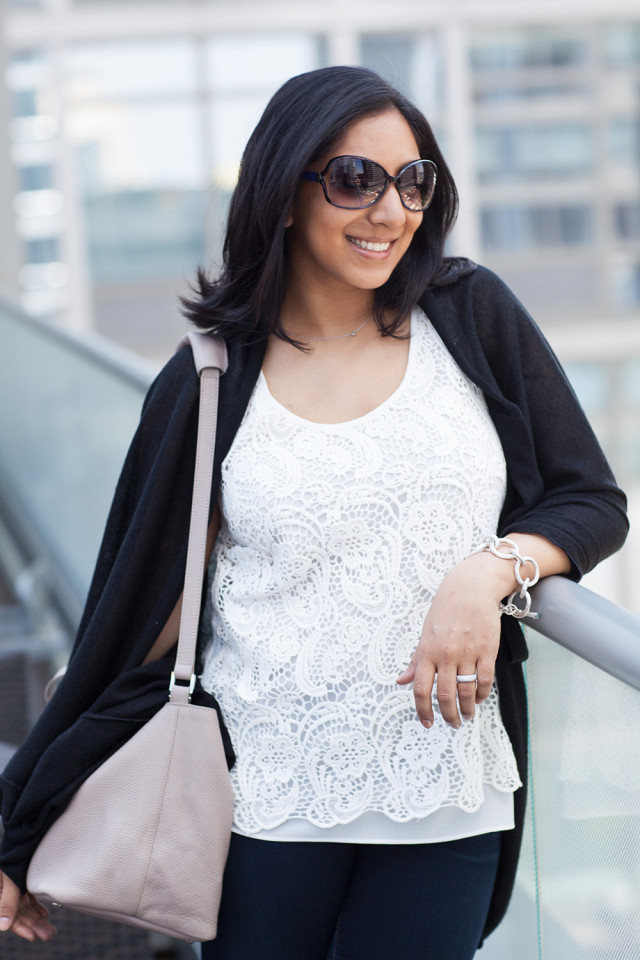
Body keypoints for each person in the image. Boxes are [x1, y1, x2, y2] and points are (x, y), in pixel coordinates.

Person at [0, 65, 628, 959]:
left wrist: (489, 573)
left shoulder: (470, 314)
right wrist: (15, 832)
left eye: (413, 182)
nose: (389, 211)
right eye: (353, 179)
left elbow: (590, 500)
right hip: (264, 810)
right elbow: (131, 629)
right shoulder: (209, 381)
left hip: (445, 796)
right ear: (284, 193)